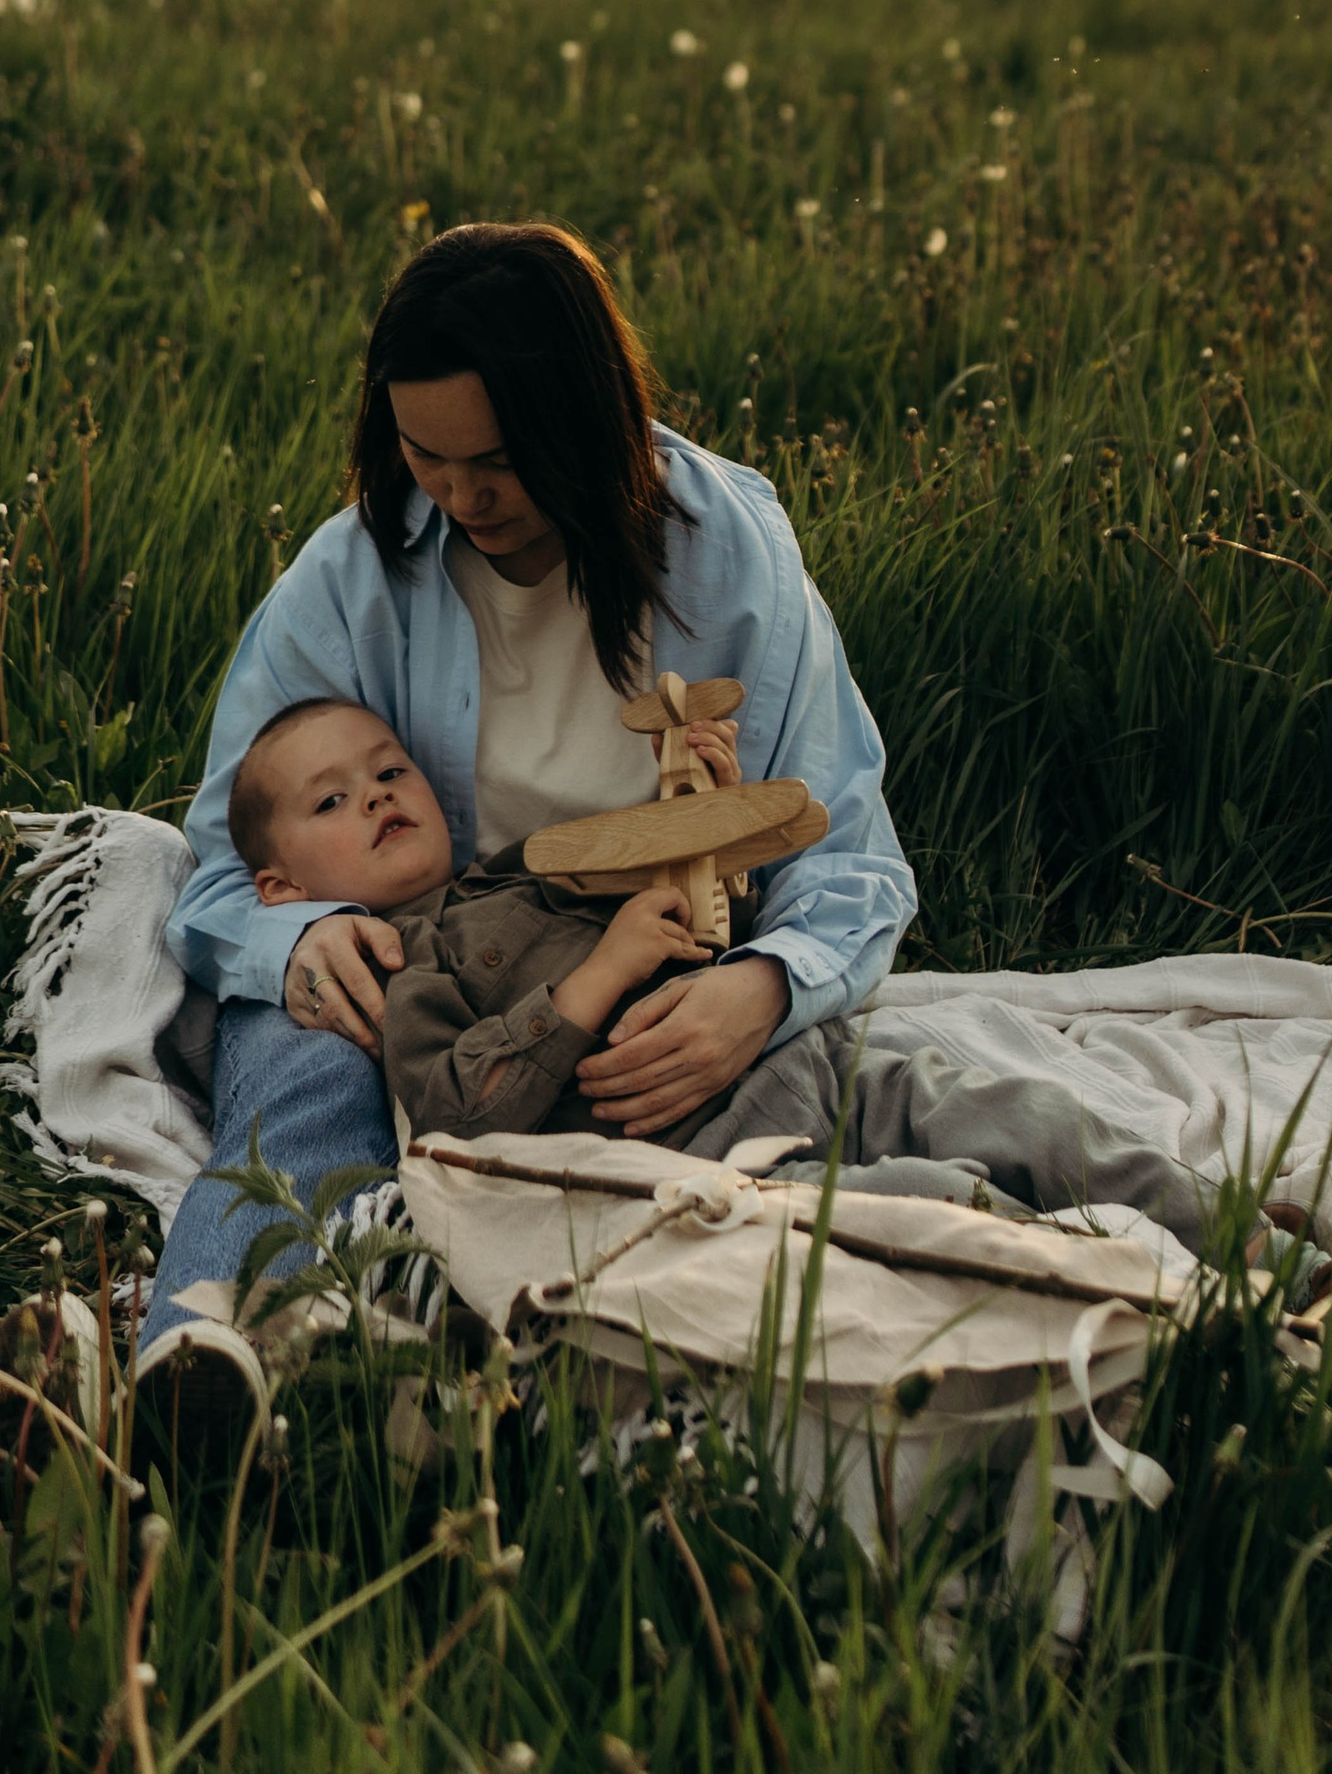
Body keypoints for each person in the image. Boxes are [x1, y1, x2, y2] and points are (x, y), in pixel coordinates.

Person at [144, 220, 915, 1355]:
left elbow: (846, 850)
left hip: (635, 974)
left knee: (819, 1127)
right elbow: (227, 858)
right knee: (300, 1079)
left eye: (497, 461)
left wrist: (762, 987)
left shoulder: (727, 557)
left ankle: (463, 1342)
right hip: (422, 971)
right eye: (422, 453)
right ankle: (205, 1340)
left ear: (582, 424)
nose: (459, 494)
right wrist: (298, 946)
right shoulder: (353, 574)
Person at [229, 694, 1237, 1259]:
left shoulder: (547, 861)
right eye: (332, 801)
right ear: (279, 887)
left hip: (804, 1060)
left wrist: (714, 817)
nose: (375, 797)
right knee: (935, 1205)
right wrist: (599, 974)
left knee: (1032, 1117)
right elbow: (460, 1125)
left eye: (390, 770)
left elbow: (712, 918)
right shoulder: (408, 967)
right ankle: (1152, 1299)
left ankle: (1268, 1253)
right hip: (713, 1152)